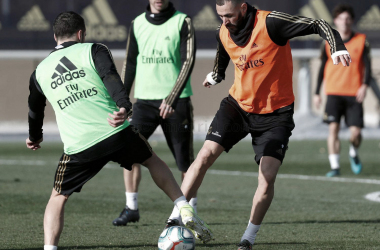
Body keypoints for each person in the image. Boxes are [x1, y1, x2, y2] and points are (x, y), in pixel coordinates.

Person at [164, 0, 351, 249]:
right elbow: (224, 55)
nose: (224, 21)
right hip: (237, 107)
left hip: (276, 114)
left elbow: (318, 23)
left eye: (229, 15)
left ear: (243, 8)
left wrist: (336, 46)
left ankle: (248, 239)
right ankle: (173, 220)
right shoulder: (224, 29)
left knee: (267, 176)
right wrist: (217, 75)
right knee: (204, 156)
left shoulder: (271, 23)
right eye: (220, 16)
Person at [26, 11, 211, 250]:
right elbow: (111, 77)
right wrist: (124, 107)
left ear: (55, 36)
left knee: (58, 197)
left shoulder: (39, 72)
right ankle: (183, 206)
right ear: (81, 33)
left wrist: (35, 136)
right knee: (151, 160)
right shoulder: (93, 50)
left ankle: (50, 247)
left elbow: (34, 111)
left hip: (79, 145)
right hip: (115, 131)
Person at [112, 0, 197, 227]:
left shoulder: (183, 21)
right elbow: (129, 63)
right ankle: (131, 207)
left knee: (185, 162)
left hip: (176, 103)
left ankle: (189, 212)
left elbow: (188, 62)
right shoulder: (137, 23)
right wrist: (122, 101)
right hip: (144, 103)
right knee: (130, 152)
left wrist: (172, 97)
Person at [314, 4, 373, 177]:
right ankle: (335, 166)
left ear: (352, 21)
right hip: (333, 92)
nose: (344, 22)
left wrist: (365, 85)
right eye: (341, 19)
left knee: (356, 133)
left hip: (354, 93)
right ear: (336, 21)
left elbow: (368, 67)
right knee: (333, 129)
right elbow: (321, 67)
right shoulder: (327, 41)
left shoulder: (362, 40)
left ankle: (353, 152)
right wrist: (317, 92)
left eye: (348, 19)